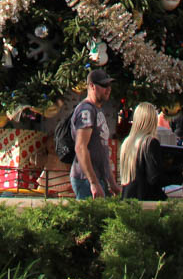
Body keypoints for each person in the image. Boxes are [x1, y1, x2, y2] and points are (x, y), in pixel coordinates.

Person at [70, 67, 119, 200]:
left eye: (109, 85)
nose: (108, 89)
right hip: (86, 180)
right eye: (103, 85)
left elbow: (103, 151)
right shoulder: (86, 111)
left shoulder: (97, 110)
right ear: (92, 86)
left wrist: (112, 183)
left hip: (98, 179)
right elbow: (80, 147)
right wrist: (93, 182)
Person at [119, 102, 166, 201]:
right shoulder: (150, 142)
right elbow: (154, 177)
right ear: (152, 120)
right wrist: (178, 175)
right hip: (145, 203)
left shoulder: (127, 143)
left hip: (127, 199)